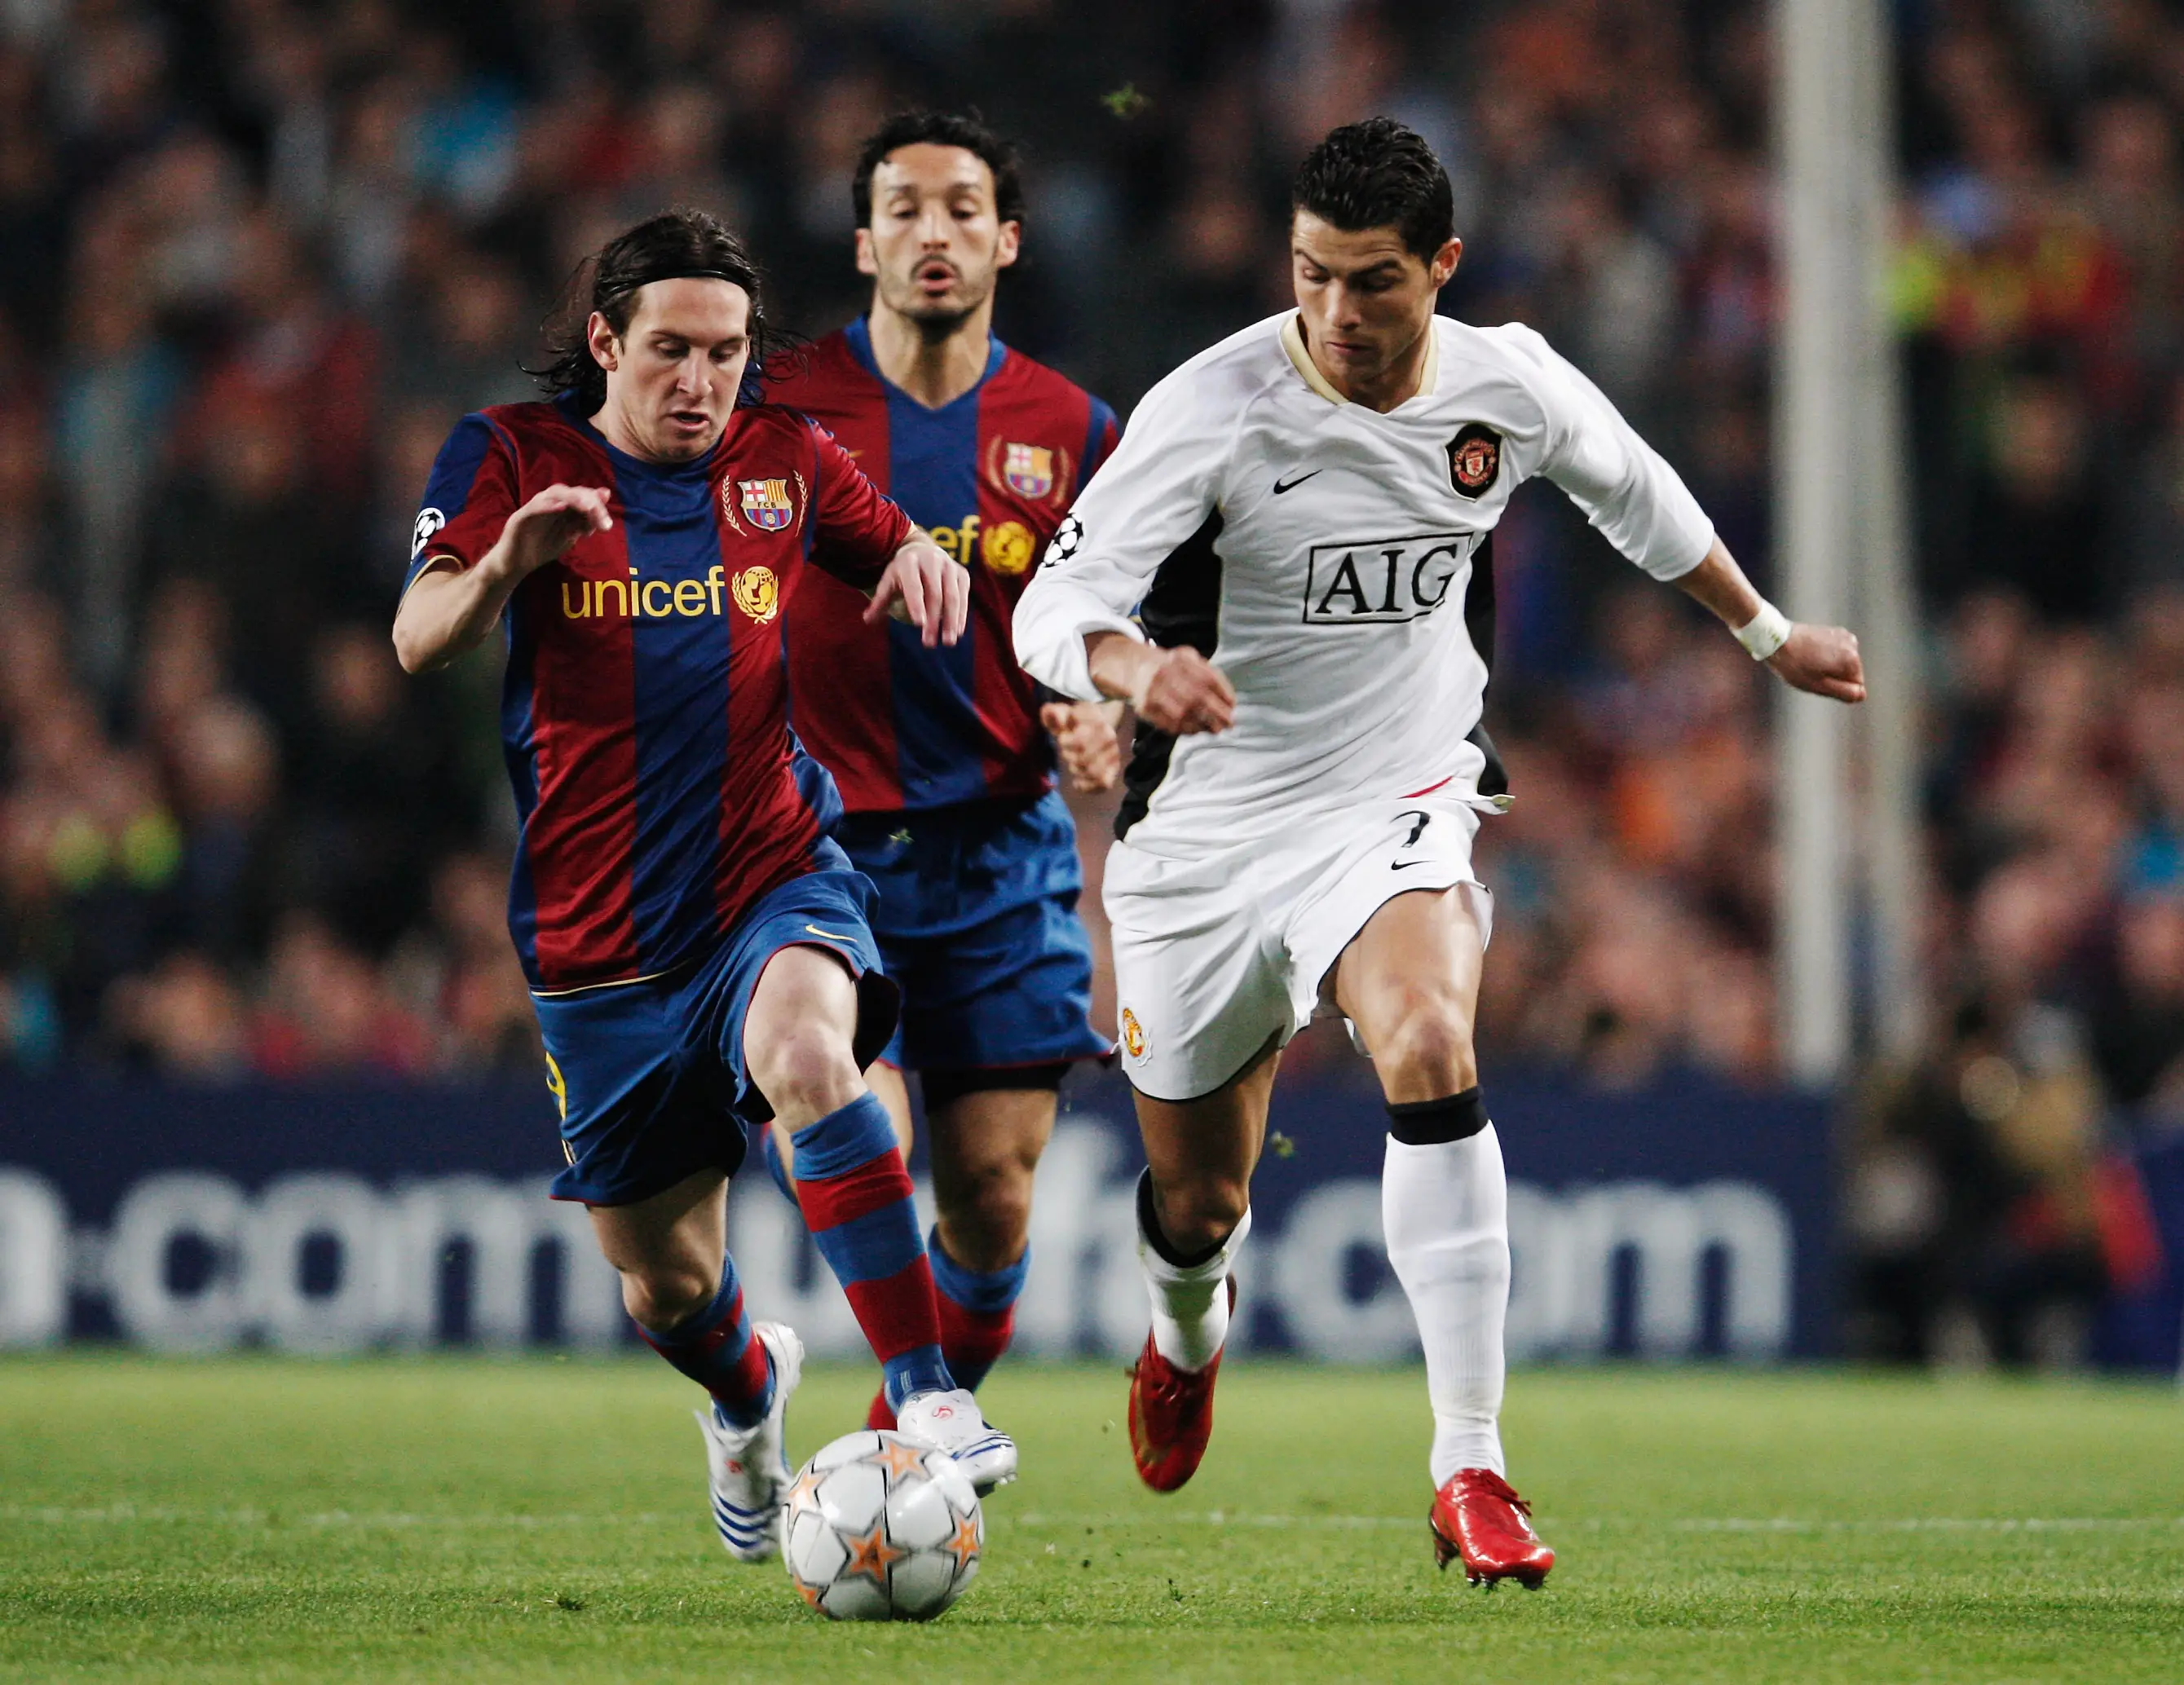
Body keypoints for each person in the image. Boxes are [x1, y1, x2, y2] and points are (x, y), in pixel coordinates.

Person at [1013, 119, 1865, 1587]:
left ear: (1441, 269)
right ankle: (1184, 1330)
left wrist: (1769, 633)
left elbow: (1636, 489)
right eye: (1313, 277)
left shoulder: (1506, 379)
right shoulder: (1213, 405)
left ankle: (1468, 1462)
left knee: (1422, 1032)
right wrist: (1126, 669)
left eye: (1374, 282)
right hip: (1205, 833)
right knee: (1200, 1202)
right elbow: (1054, 594)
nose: (1338, 313)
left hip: (1396, 792)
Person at [390, 209, 1016, 1567]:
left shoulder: (780, 462)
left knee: (809, 1046)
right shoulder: (512, 453)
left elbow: (891, 535)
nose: (699, 380)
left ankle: (927, 1394)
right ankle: (748, 1398)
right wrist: (505, 563)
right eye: (669, 349)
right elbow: (415, 633)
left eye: (725, 352)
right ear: (607, 342)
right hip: (597, 941)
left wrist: (917, 553)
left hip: (768, 876)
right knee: (663, 1281)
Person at [765, 111, 1123, 1430]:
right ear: (864, 240)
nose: (934, 232)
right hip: (819, 851)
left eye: (962, 208)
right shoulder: (782, 410)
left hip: (1000, 847)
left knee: (992, 1195)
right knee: (873, 1130)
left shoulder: (1075, 428)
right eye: (904, 208)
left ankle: (892, 1445)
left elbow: (1111, 623)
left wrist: (1098, 712)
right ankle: (919, 1418)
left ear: (1007, 240)